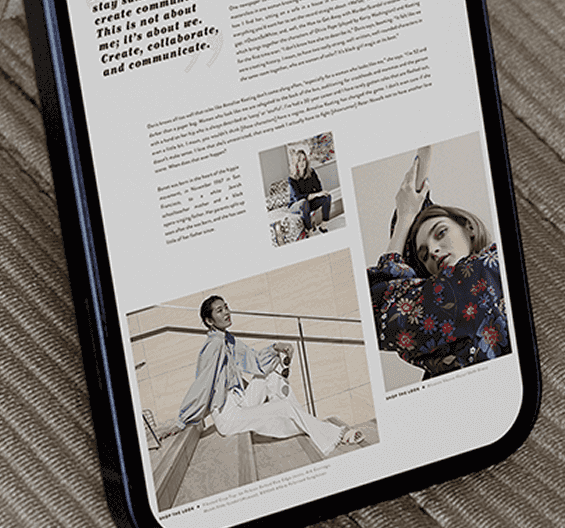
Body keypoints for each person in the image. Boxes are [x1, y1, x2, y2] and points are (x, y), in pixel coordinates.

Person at [368, 161, 512, 377]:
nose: (434, 251)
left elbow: (376, 310)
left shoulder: (488, 270)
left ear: (469, 227)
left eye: (441, 233)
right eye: (424, 255)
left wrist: (405, 219)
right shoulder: (442, 313)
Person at [176, 296, 365, 454]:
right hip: (229, 416)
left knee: (272, 377)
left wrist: (276, 347)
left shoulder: (228, 340)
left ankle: (304, 421)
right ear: (209, 321)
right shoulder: (214, 345)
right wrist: (182, 420)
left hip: (240, 401)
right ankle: (334, 435)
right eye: (219, 310)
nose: (226, 312)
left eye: (226, 307)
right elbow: (202, 384)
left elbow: (255, 361)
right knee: (282, 407)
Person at [285, 146, 333, 235]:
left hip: (308, 202)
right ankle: (309, 231)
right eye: (299, 160)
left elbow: (319, 190)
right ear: (295, 163)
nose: (302, 163)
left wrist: (319, 194)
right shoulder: (291, 179)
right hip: (296, 206)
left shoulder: (311, 173)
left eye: (303, 159)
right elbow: (298, 198)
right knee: (304, 202)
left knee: (327, 196)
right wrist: (315, 195)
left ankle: (323, 226)